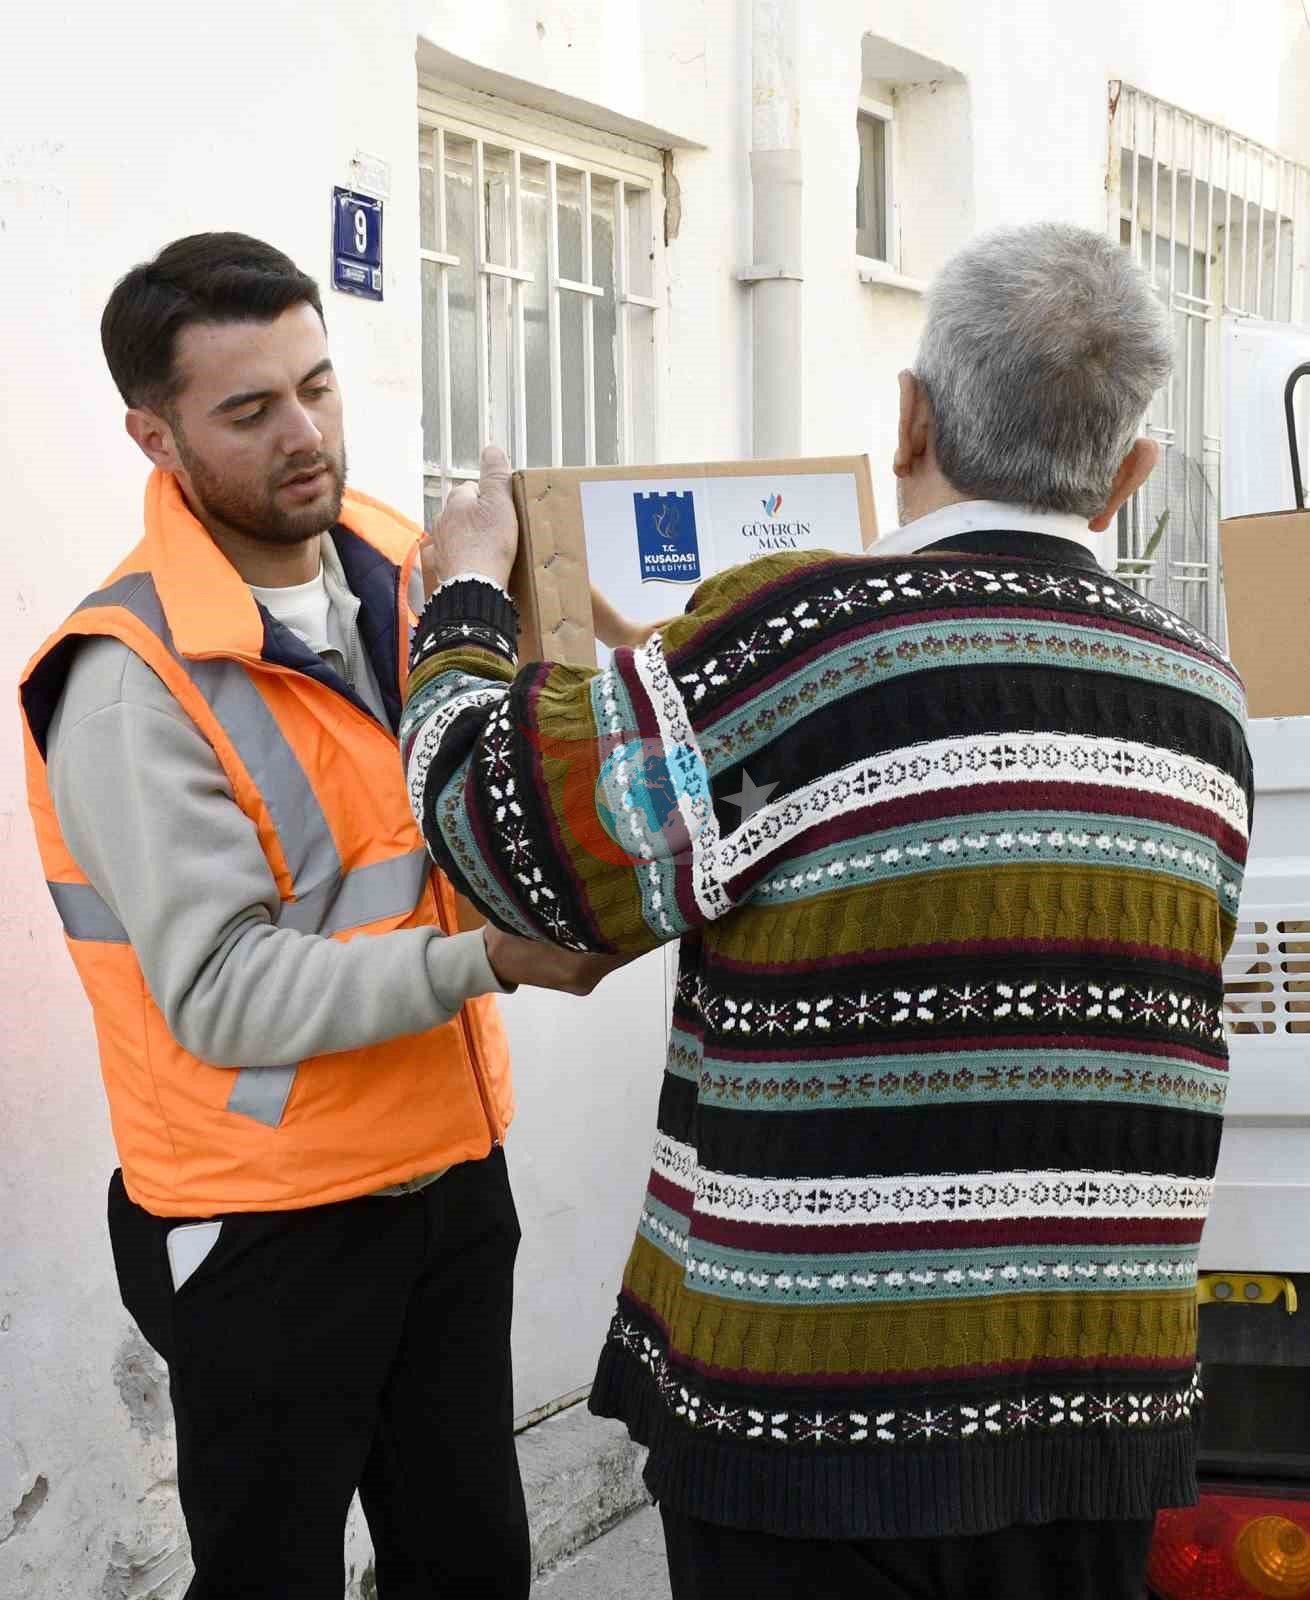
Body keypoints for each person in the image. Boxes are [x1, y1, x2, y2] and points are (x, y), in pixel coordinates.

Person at [402, 222, 1252, 1600]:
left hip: (815, 1431)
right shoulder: (1197, 695)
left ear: (908, 415)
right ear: (1129, 472)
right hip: (1096, 1411)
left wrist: (460, 603)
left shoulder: (798, 638)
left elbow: (495, 832)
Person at [18, 232, 620, 1600]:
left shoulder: (407, 571)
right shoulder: (128, 680)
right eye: (250, 410)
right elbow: (222, 992)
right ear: (154, 435)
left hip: (449, 1172)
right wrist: (486, 957)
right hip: (266, 1223)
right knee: (269, 1577)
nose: (305, 434)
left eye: (318, 385)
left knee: (468, 1569)